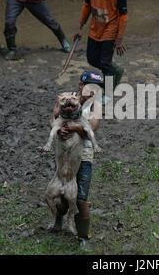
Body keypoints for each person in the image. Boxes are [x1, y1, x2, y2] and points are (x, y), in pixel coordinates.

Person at [52, 70, 103, 248]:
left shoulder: (96, 105)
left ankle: (83, 237)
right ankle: (59, 219)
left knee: (81, 198)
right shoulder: (65, 98)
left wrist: (73, 127)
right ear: (81, 86)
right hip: (65, 155)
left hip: (84, 156)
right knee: (61, 192)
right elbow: (55, 118)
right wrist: (60, 130)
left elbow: (93, 125)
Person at [74, 0, 128, 93]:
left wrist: (119, 39)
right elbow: (86, 5)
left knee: (104, 63)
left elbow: (123, 16)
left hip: (110, 29)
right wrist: (79, 27)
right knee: (92, 59)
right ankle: (115, 69)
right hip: (95, 28)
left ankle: (108, 94)